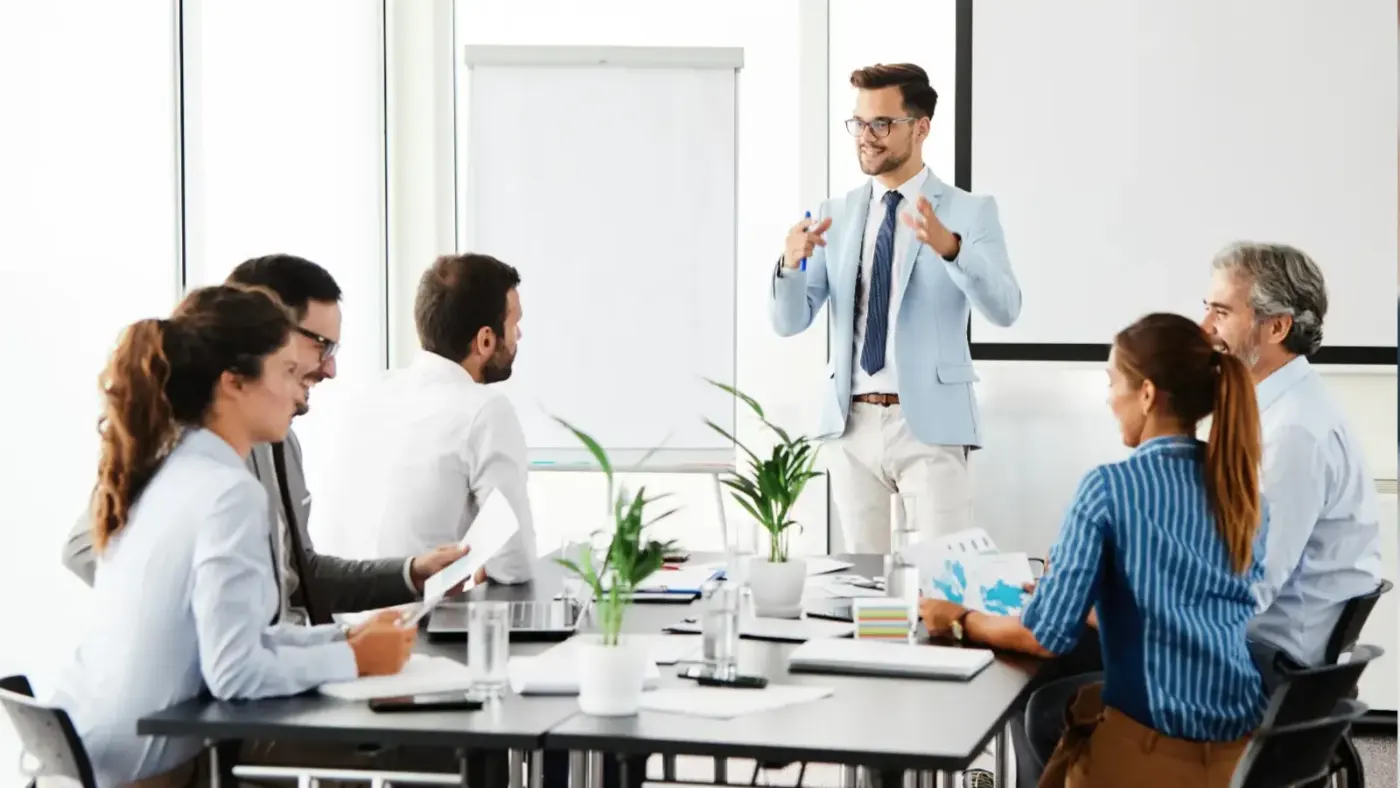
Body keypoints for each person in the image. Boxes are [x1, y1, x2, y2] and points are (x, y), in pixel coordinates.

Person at [44, 286, 415, 788]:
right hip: (147, 769)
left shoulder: (165, 466)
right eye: (286, 371)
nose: (298, 388)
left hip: (90, 746)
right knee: (406, 751)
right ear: (234, 383)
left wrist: (342, 637)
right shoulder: (228, 492)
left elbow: (230, 637)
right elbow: (234, 674)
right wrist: (354, 658)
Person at [919, 313, 1268, 788]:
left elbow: (1045, 636)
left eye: (1112, 383)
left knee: (1050, 702)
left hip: (1153, 754)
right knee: (1062, 706)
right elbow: (1194, 610)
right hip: (1242, 756)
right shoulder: (1245, 495)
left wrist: (958, 617)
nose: (1109, 399)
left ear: (1146, 394)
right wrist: (1095, 603)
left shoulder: (1109, 488)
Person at [60, 254, 467, 623]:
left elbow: (297, 576)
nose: (330, 369)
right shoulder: (182, 444)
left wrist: (411, 573)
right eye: (321, 345)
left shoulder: (279, 441)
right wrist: (219, 605)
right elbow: (84, 550)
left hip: (288, 662)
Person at [768, 62, 1021, 553]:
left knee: (942, 588)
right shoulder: (833, 214)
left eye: (881, 124)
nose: (866, 136)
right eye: (859, 123)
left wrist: (953, 249)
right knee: (863, 590)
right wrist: (790, 265)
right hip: (851, 425)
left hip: (929, 426)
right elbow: (789, 321)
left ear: (921, 127)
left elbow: (1006, 308)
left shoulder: (969, 211)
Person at [1202, 241, 1384, 687]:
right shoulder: (1278, 408)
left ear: (1277, 327)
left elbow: (1245, 590)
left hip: (1264, 660)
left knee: (1054, 698)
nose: (1204, 326)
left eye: (1221, 313)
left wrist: (1128, 602)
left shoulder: (1291, 434)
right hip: (1261, 640)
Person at [313, 253, 536, 582]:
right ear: (486, 340)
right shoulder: (484, 410)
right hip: (418, 626)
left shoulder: (369, 394)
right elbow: (514, 565)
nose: (519, 336)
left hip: (341, 619)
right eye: (513, 324)